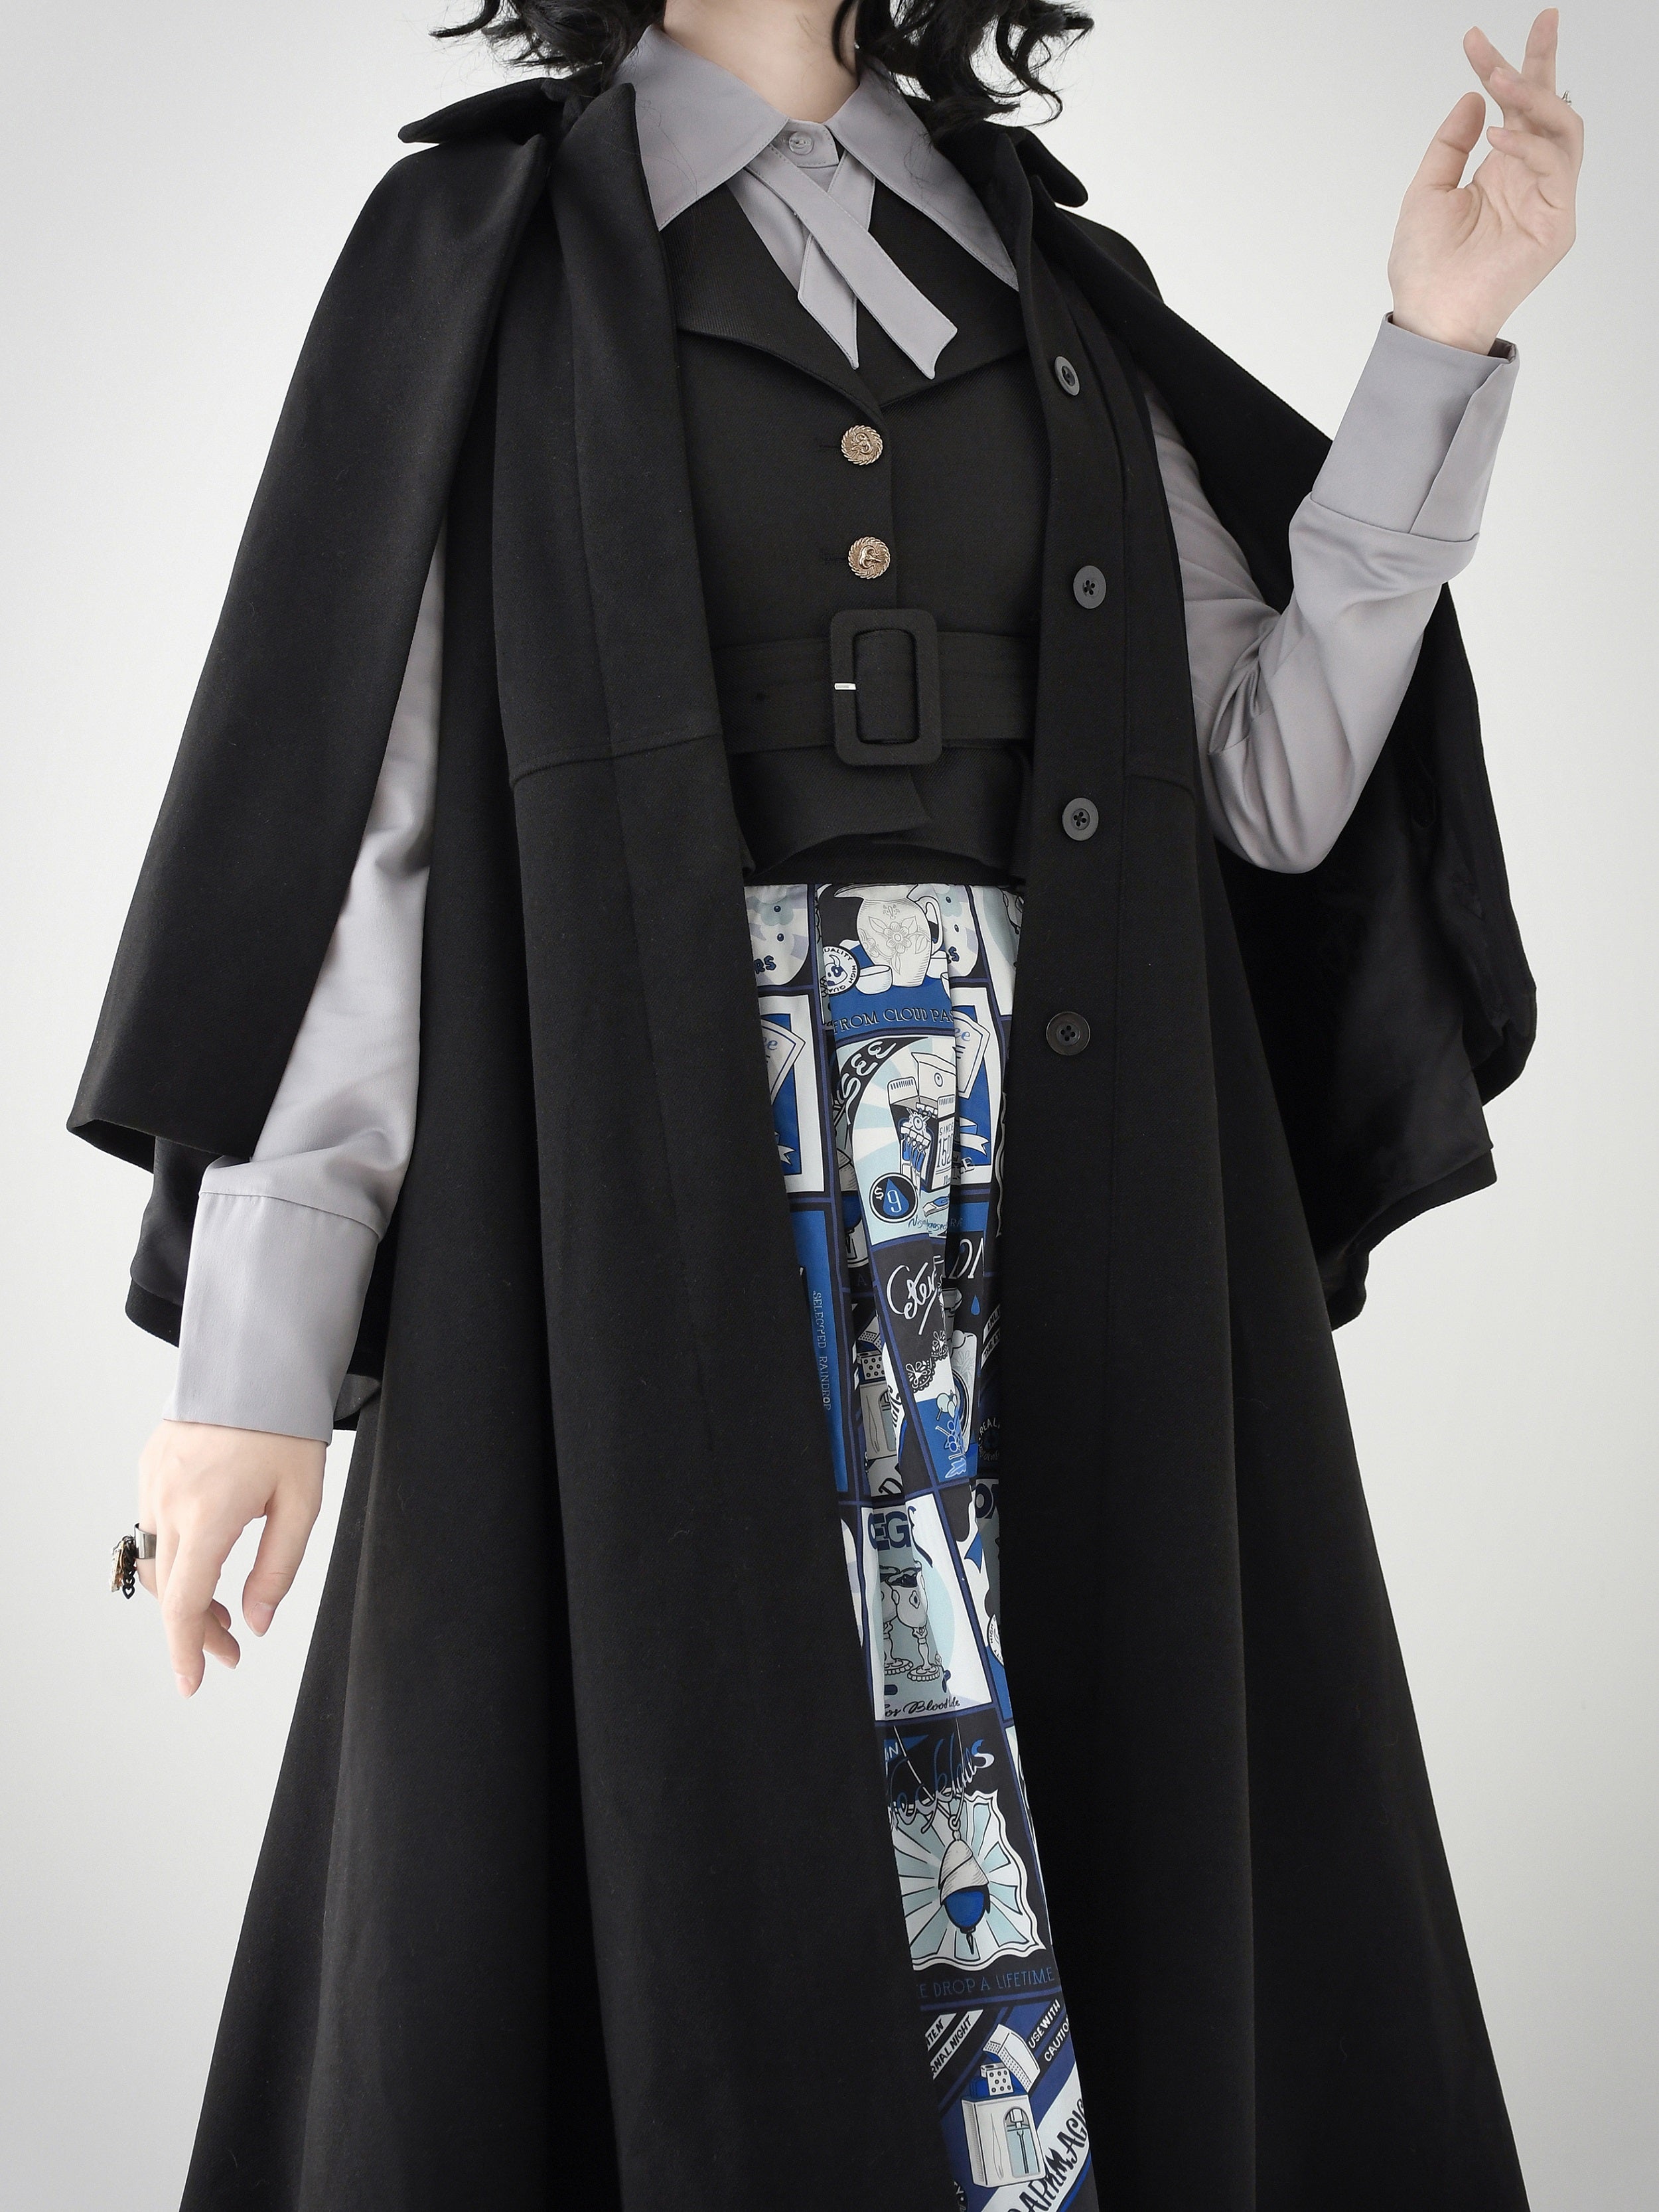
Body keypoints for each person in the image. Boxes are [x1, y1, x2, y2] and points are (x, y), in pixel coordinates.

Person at [75, 3, 1581, 2205]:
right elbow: (365, 832)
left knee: (1086, 1796)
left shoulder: (1037, 273)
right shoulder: (481, 250)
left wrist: (1433, 343)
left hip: (1050, 1189)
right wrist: (251, 1375)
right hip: (645, 1186)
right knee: (668, 1830)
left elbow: (1261, 780)